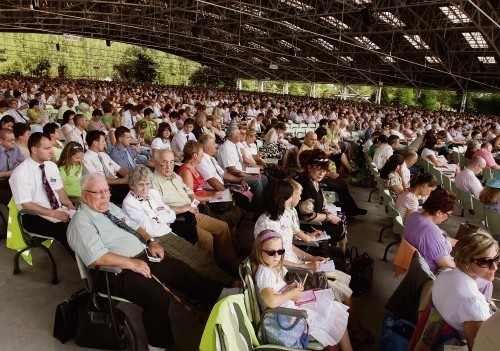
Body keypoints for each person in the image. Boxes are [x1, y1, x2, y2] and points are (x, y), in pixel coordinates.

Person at [67, 173, 224, 351]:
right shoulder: (81, 222)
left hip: (141, 256)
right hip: (112, 272)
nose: (105, 196)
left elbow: (134, 226)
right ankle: (157, 346)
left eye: (107, 190)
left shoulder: (109, 207)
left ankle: (221, 295)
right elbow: (97, 257)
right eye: (98, 192)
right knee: (156, 297)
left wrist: (151, 241)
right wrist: (132, 263)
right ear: (84, 194)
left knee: (180, 270)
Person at [121, 165, 240, 288]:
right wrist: (162, 216)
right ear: (132, 185)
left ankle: (227, 280)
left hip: (168, 231)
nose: (145, 188)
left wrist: (158, 218)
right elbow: (148, 228)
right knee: (193, 262)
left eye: (147, 184)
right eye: (141, 184)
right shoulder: (130, 202)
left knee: (200, 255)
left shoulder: (153, 193)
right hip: (156, 240)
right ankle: (226, 285)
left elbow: (170, 214)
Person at [250, 230, 353, 351]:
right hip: (284, 320)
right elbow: (271, 301)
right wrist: (290, 294)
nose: (277, 256)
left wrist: (289, 287)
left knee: (334, 315)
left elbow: (276, 290)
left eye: (280, 251)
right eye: (271, 252)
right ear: (258, 251)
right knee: (334, 324)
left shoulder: (274, 266)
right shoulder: (264, 273)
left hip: (289, 310)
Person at [151, 149, 236, 262]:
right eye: (164, 162)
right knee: (207, 238)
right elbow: (160, 209)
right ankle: (208, 269)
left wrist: (194, 205)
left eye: (171, 162)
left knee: (223, 227)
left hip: (193, 212)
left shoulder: (175, 176)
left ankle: (227, 260)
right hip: (179, 219)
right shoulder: (153, 182)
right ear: (156, 163)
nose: (169, 166)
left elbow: (190, 192)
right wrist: (185, 208)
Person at [9, 132, 75, 256]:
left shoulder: (51, 166)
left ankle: (97, 261)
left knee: (84, 222)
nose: (51, 151)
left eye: (51, 147)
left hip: (57, 209)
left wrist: (68, 204)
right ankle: (90, 270)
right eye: (47, 148)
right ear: (34, 150)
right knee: (68, 231)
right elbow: (26, 204)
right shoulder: (21, 173)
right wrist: (54, 213)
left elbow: (59, 190)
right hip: (34, 216)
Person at [432, 231, 498, 349]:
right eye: (485, 261)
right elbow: (477, 347)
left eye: (496, 258)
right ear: (465, 261)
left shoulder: (444, 274)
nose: (495, 267)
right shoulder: (473, 303)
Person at [295, 150, 346, 246]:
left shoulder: (313, 180)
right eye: (318, 169)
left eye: (324, 170)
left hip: (318, 220)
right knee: (339, 228)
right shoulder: (305, 185)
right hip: (307, 227)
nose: (321, 174)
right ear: (309, 167)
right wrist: (329, 217)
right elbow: (308, 216)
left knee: (340, 220)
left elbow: (321, 200)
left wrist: (327, 212)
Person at [404, 187, 457, 273]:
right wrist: (466, 266)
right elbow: (445, 264)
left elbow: (435, 240)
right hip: (434, 275)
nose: (447, 218)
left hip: (415, 269)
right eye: (448, 215)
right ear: (438, 212)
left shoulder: (414, 216)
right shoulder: (431, 230)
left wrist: (457, 242)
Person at [217, 125, 268, 215]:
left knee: (264, 177)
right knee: (257, 181)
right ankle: (259, 211)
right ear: (233, 136)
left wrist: (252, 171)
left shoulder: (235, 145)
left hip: (241, 171)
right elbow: (232, 170)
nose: (241, 135)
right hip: (232, 176)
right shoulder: (226, 148)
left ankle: (255, 205)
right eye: (239, 133)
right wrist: (250, 175)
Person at [82, 130, 129, 204]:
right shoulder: (86, 159)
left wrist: (130, 176)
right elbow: (98, 180)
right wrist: (122, 181)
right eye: (103, 141)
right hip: (103, 189)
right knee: (132, 191)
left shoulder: (104, 155)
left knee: (137, 184)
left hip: (116, 183)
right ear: (95, 143)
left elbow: (120, 169)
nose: (105, 144)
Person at [0, 128, 25, 204]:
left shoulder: (16, 148)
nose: (14, 142)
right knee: (10, 197)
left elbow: (23, 164)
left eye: (14, 139)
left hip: (12, 179)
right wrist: (10, 173)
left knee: (25, 192)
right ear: (1, 140)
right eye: (10, 140)